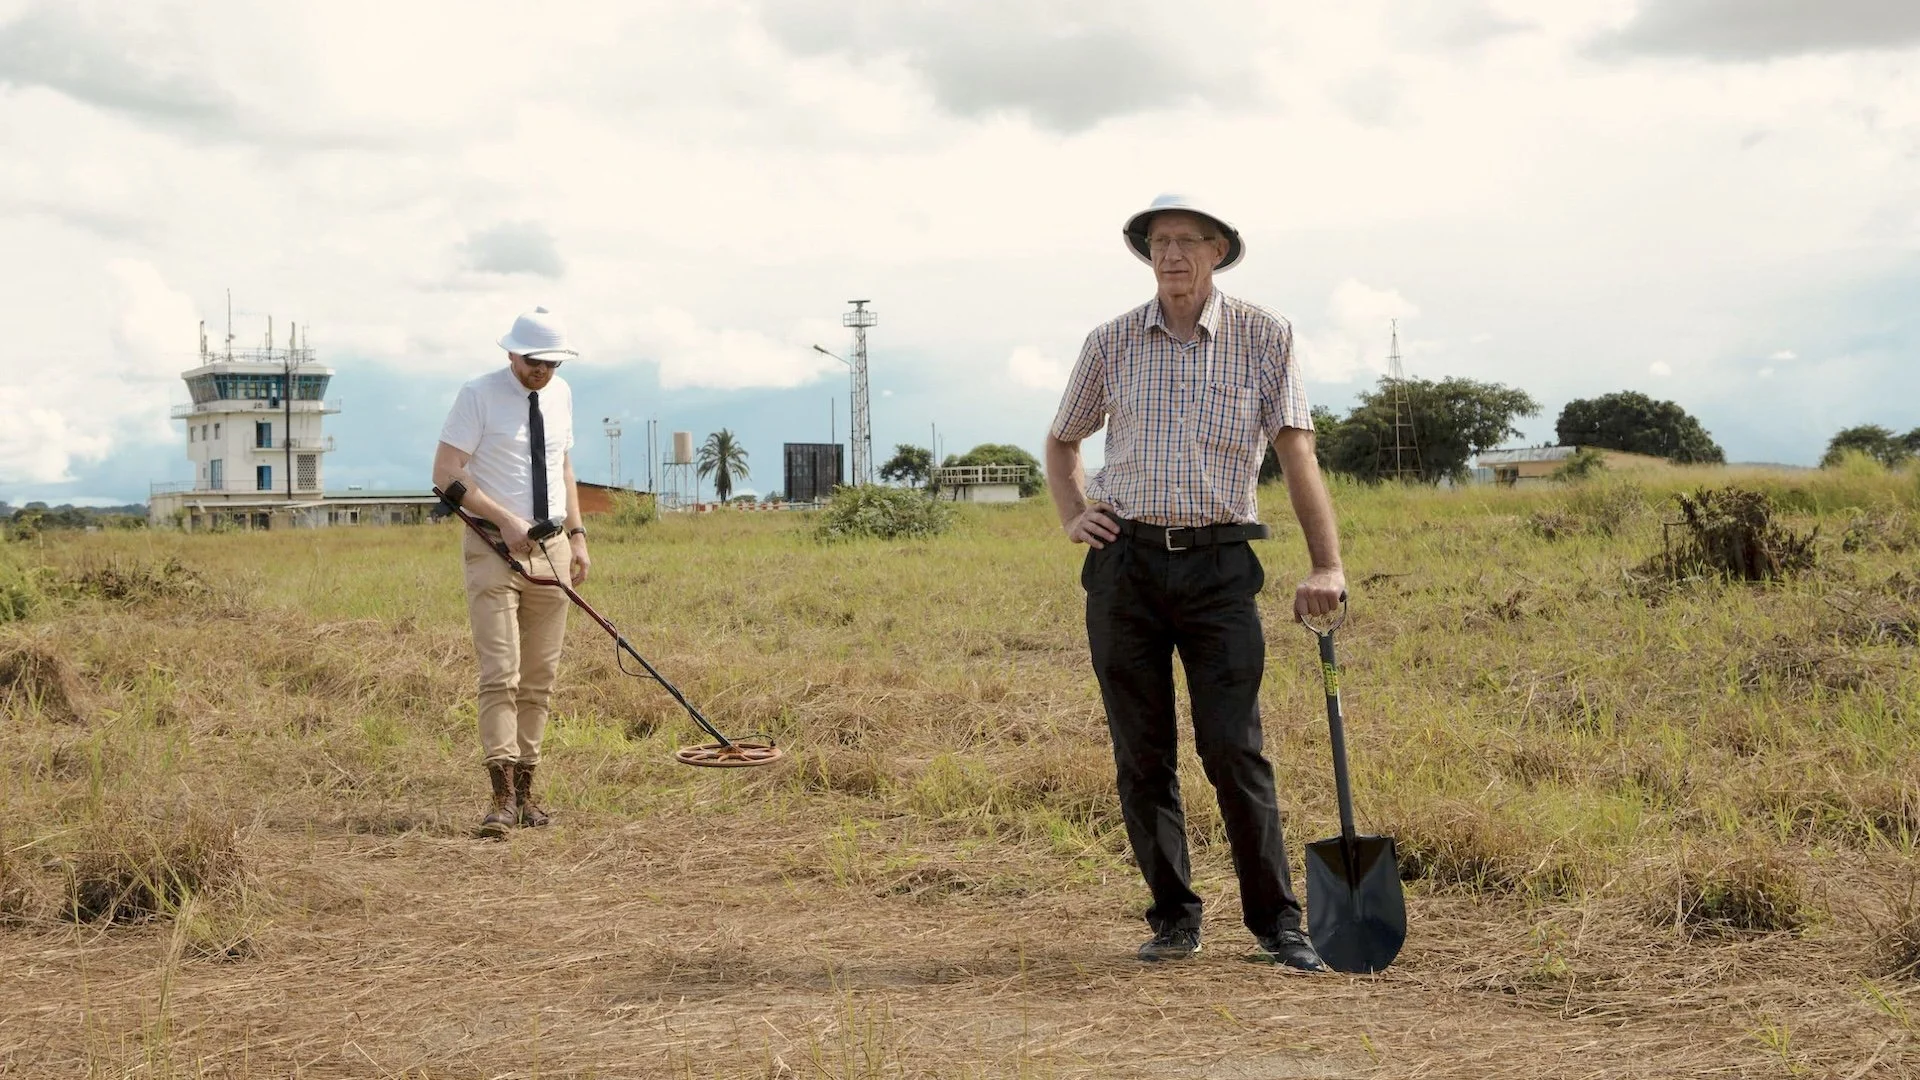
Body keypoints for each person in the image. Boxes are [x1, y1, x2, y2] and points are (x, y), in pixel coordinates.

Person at [1044, 194, 1347, 970]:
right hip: (1126, 568)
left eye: (1188, 241)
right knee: (1142, 753)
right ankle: (1174, 917)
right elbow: (1063, 439)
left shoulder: (1264, 335)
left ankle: (1278, 923)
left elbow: (1296, 455)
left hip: (1219, 568)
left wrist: (1326, 564)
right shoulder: (1110, 341)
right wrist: (1076, 513)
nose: (1171, 253)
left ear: (1219, 251)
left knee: (1233, 747)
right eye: (1158, 241)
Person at [432, 306, 590, 837]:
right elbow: (445, 473)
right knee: (501, 672)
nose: (542, 372)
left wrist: (578, 535)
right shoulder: (478, 394)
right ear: (511, 353)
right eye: (534, 362)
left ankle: (527, 793)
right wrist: (506, 520)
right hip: (493, 546)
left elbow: (564, 467)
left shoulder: (562, 397)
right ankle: (498, 799)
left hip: (553, 551)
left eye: (552, 364)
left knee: (540, 679)